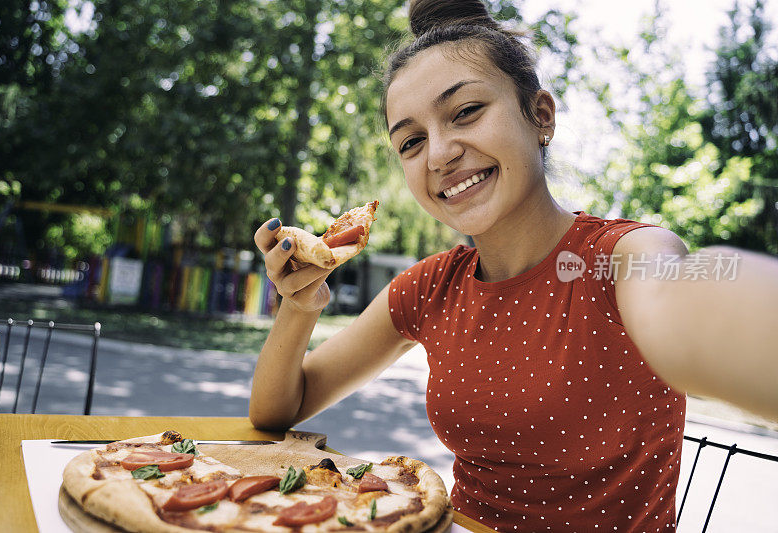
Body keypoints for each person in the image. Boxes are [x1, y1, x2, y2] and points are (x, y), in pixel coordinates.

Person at [249, 0, 778, 530]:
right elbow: (276, 411)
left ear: (540, 116)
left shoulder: (619, 259)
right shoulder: (430, 288)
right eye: (411, 141)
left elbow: (682, 304)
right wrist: (300, 305)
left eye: (466, 112)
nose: (438, 155)